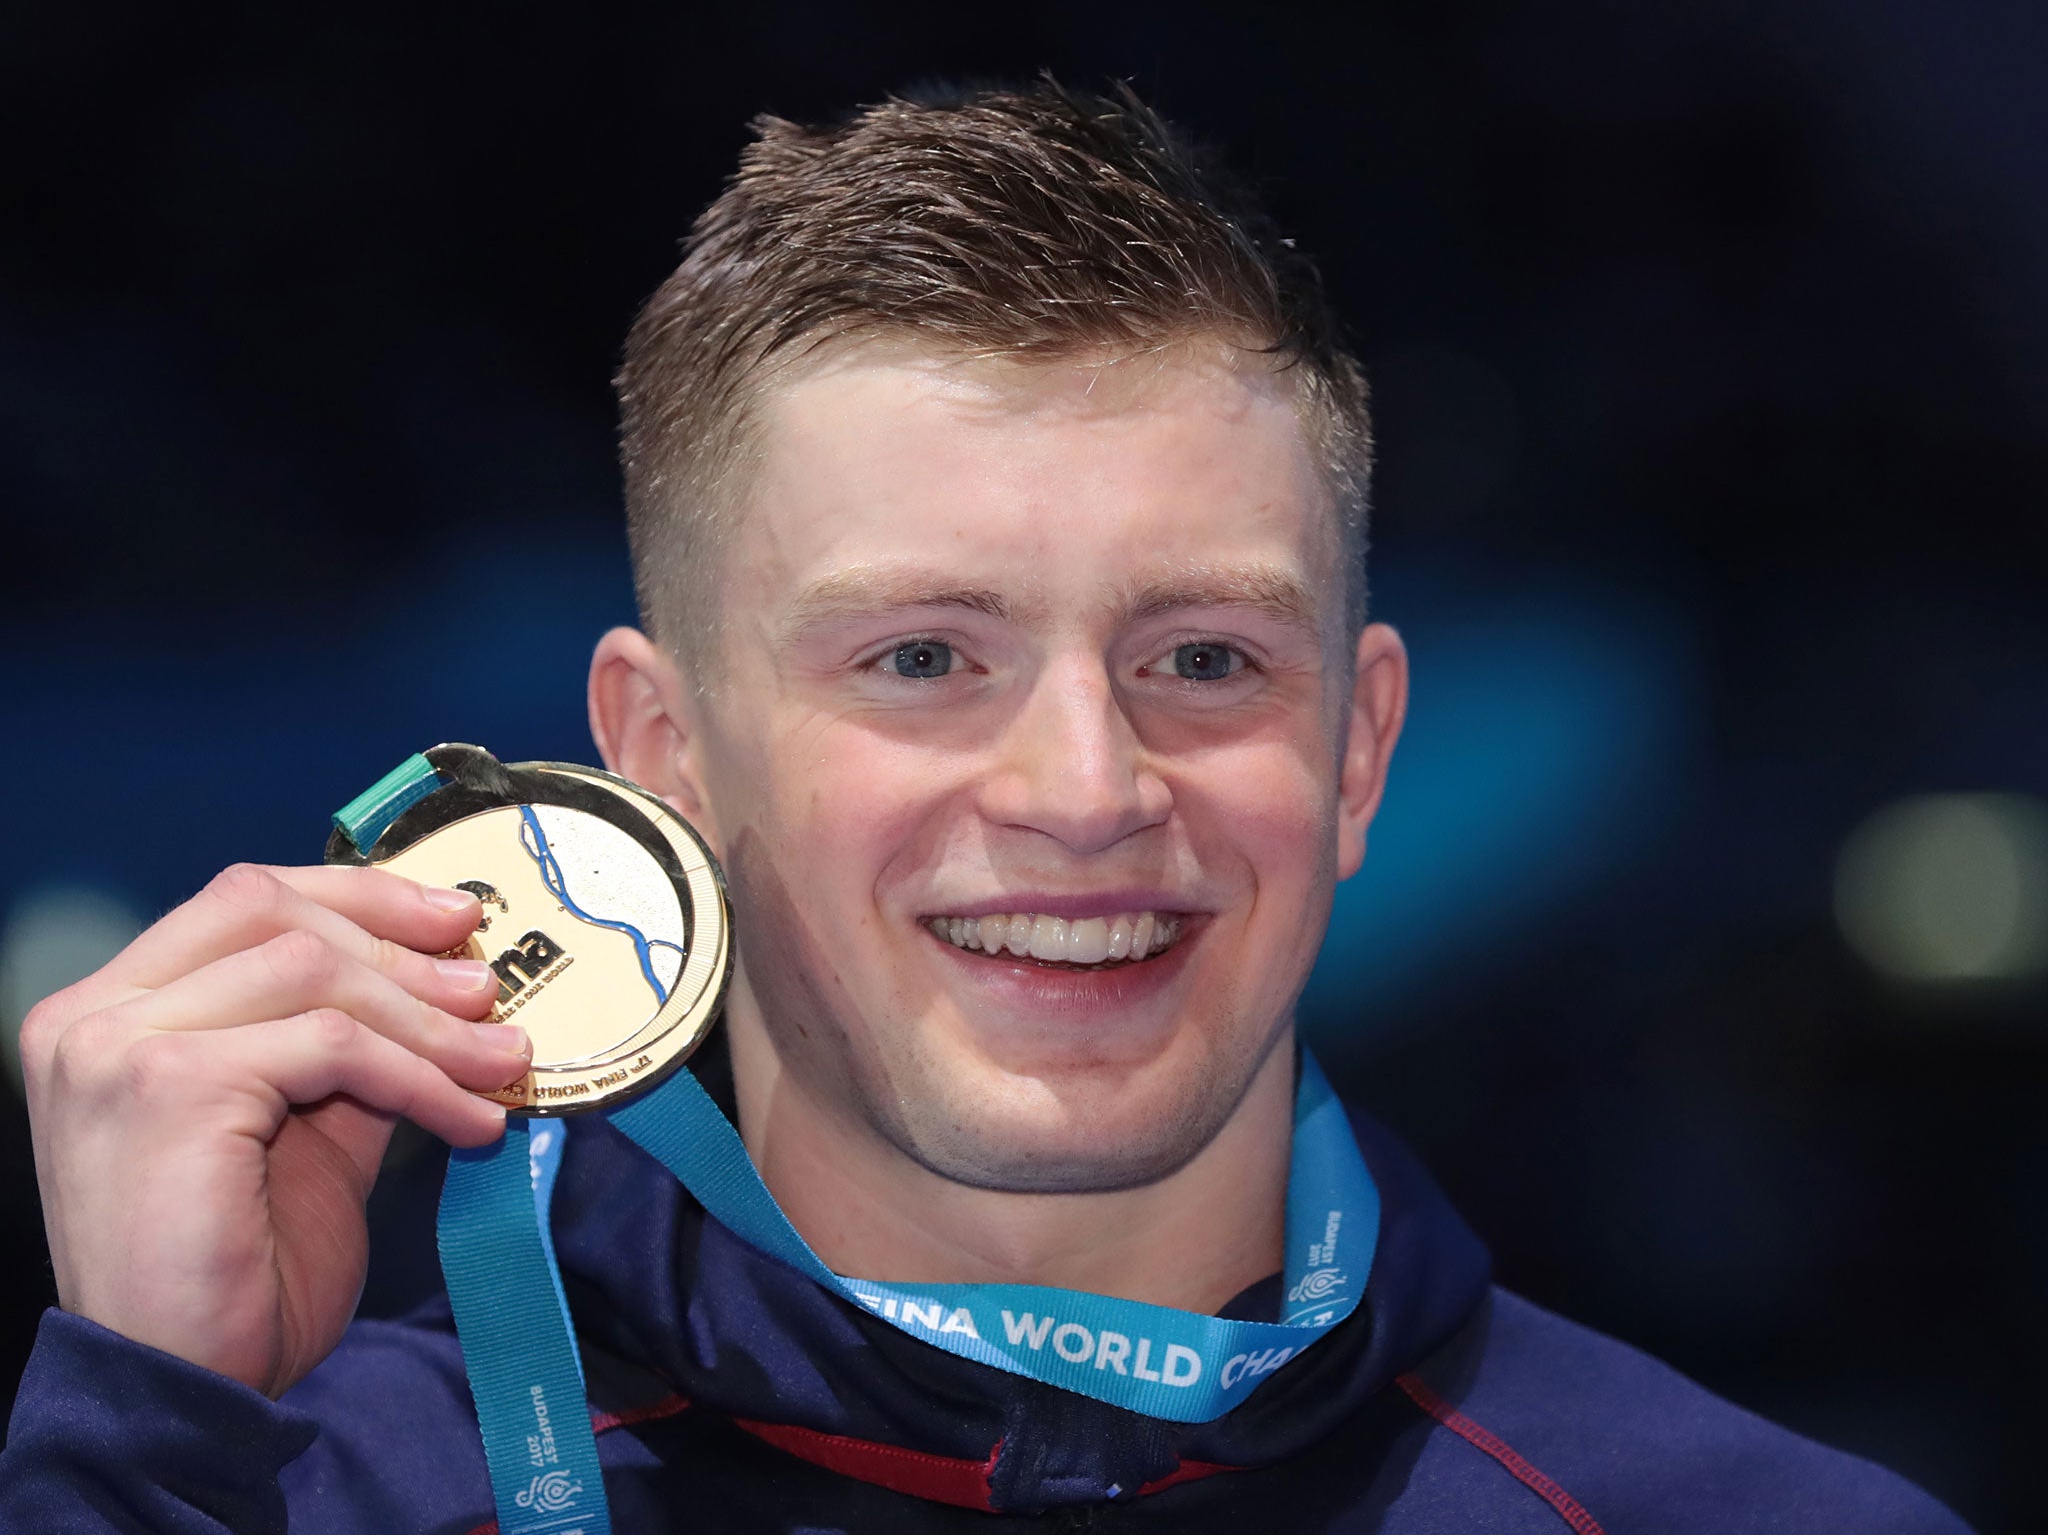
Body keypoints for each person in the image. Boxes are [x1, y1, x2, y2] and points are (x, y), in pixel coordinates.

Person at [0, 80, 1970, 1533]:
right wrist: (152, 1435)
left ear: (1359, 753)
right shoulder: (288, 1497)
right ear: (661, 758)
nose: (1088, 790)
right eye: (923, 658)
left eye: (1205, 658)